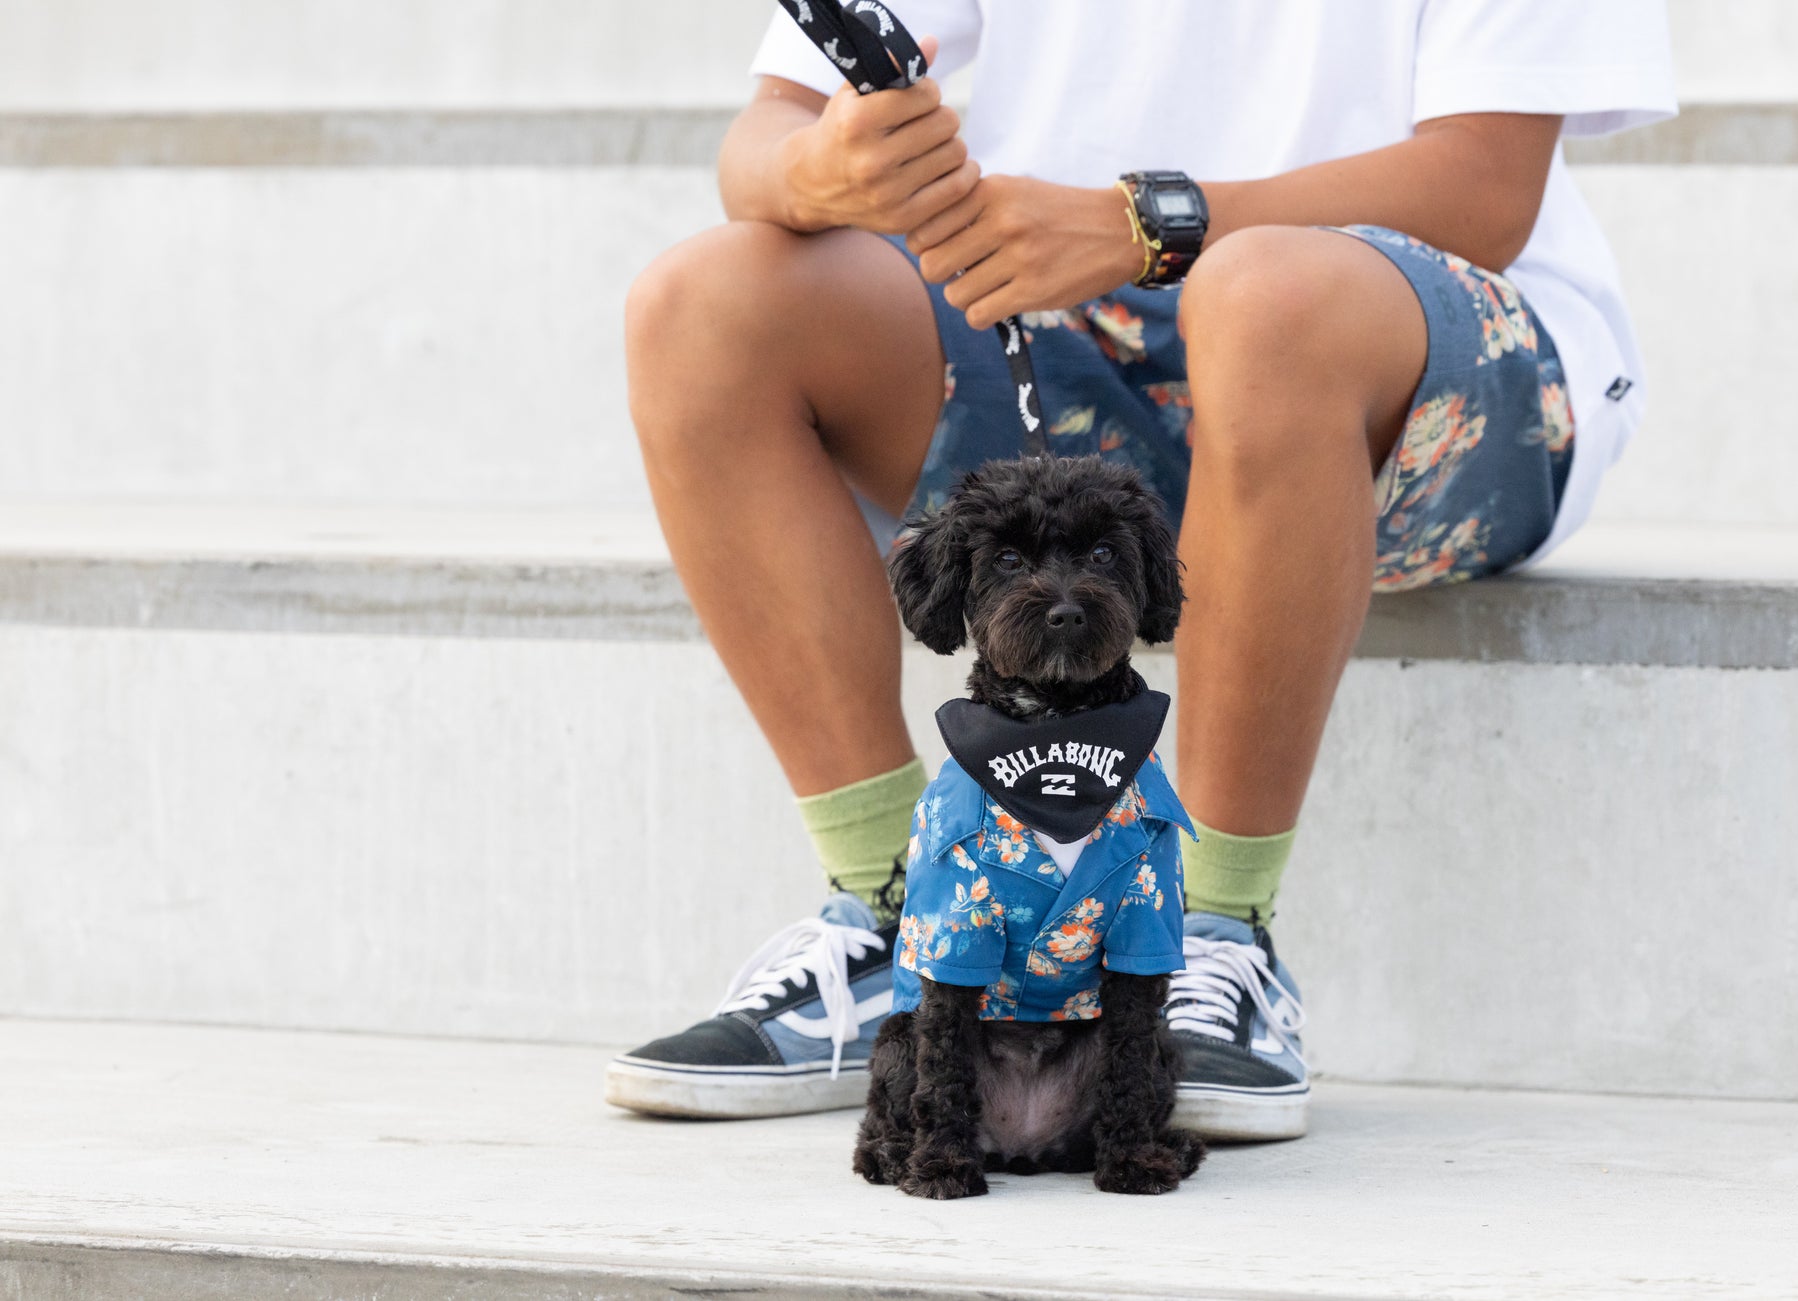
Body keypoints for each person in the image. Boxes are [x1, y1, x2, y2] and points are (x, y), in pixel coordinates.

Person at [610, 0, 1675, 1140]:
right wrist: (821, 169)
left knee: (1261, 293)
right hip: (1055, 322)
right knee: (698, 305)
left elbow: (1485, 187)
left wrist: (1143, 224)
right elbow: (763, 137)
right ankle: (901, 919)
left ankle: (1213, 932)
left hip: (1402, 349)